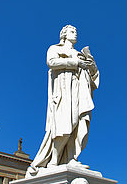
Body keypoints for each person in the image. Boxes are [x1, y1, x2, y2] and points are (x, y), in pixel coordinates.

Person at [27, 25, 99, 176]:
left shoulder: (79, 54)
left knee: (78, 123)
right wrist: (75, 63)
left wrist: (90, 66)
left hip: (78, 91)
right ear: (64, 35)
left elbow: (93, 76)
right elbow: (51, 62)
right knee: (65, 123)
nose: (76, 34)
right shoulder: (55, 48)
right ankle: (54, 160)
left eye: (76, 32)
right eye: (73, 32)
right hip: (64, 90)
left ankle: (71, 158)